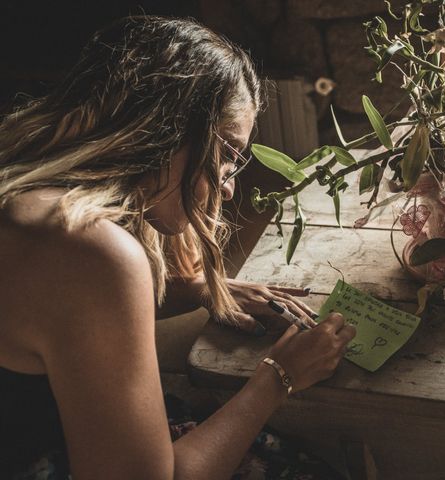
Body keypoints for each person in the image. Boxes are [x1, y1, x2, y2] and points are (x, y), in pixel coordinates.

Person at [0, 16, 356, 479]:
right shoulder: (94, 251)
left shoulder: (26, 194)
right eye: (227, 154)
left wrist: (195, 290)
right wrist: (278, 377)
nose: (228, 189)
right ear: (166, 129)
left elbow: (59, 313)